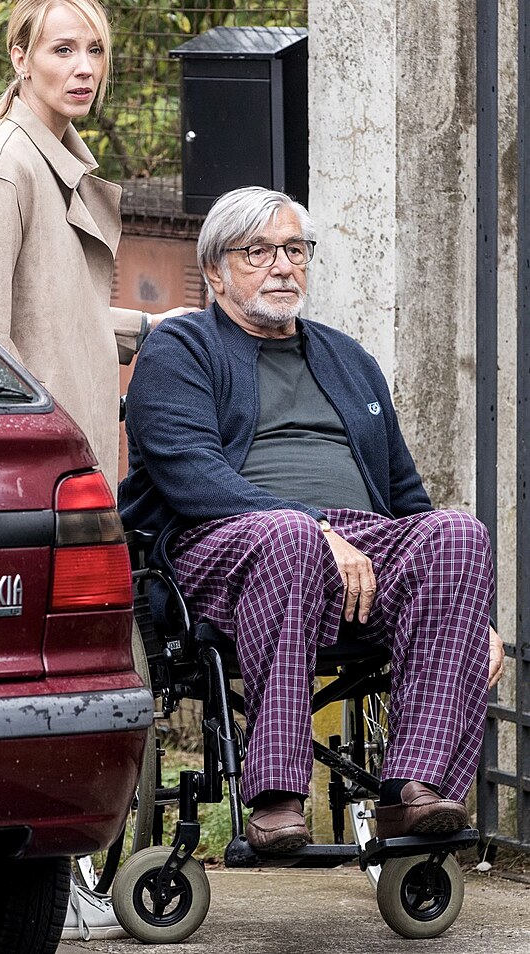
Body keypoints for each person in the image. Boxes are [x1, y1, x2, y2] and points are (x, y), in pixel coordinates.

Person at [118, 185, 505, 852]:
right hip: (228, 546)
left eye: (295, 250)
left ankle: (415, 790)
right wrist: (316, 527)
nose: (282, 266)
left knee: (457, 532)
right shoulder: (181, 349)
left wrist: (473, 614)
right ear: (215, 270)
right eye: (259, 251)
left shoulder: (348, 359)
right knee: (289, 535)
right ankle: (277, 796)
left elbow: (404, 494)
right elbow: (192, 475)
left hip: (359, 553)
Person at [0, 0, 190, 496]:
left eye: (95, 50)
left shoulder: (51, 157)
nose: (85, 68)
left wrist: (147, 327)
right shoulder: (3, 166)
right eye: (63, 50)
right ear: (21, 58)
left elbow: (49, 311)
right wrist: (37, 453)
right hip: (36, 467)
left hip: (66, 453)